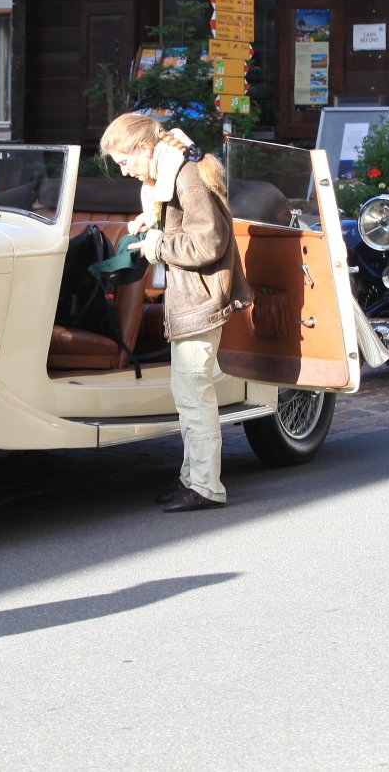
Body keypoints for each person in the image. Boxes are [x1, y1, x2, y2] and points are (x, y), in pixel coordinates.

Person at [100, 113, 252, 513]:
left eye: (125, 161)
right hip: (193, 299)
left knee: (194, 395)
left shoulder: (184, 176)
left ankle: (204, 486)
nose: (125, 171)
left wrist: (158, 244)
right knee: (188, 394)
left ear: (145, 148)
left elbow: (209, 243)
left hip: (200, 300)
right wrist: (152, 222)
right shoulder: (174, 170)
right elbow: (188, 227)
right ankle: (192, 478)